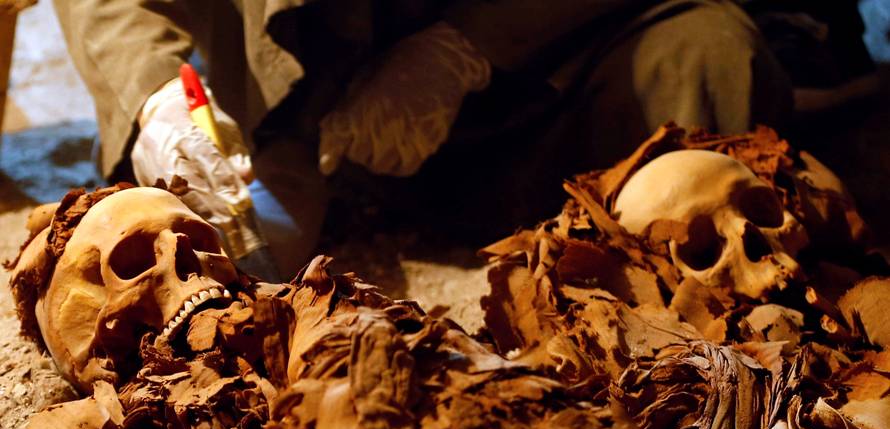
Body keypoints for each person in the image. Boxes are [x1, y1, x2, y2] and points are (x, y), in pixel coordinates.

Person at [54, 0, 792, 277]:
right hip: (306, 91)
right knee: (225, 254)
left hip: (543, 63)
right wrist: (153, 93)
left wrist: (469, 45)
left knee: (708, 62)